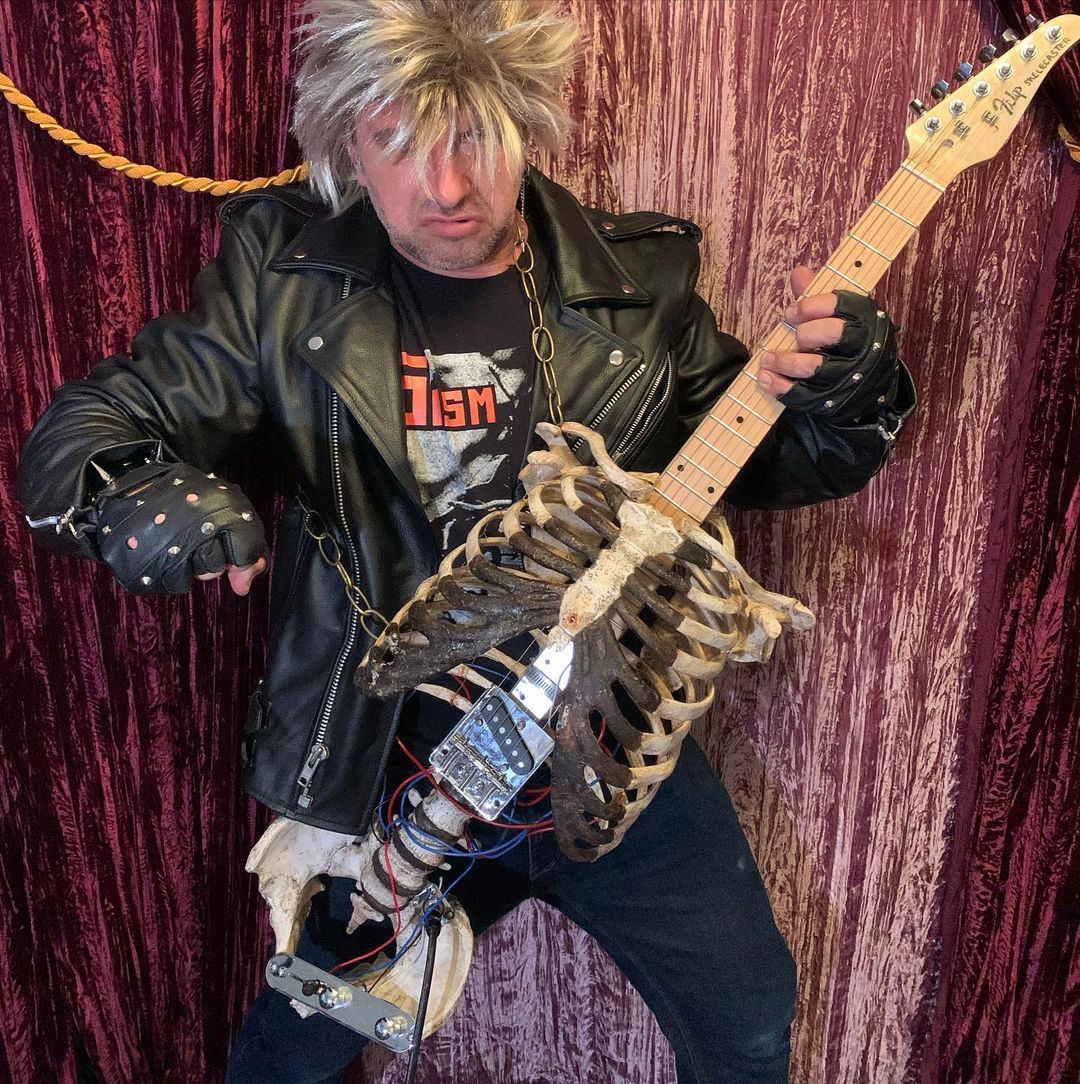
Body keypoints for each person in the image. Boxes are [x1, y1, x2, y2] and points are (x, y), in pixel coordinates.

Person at [17, 2, 916, 1081]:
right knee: (292, 1055)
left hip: (602, 747)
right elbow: (89, 430)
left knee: (752, 1019)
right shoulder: (284, 275)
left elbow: (768, 460)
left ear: (527, 122)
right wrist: (149, 498)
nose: (444, 187)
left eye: (475, 138)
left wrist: (847, 391)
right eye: (397, 143)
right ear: (348, 143)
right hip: (390, 762)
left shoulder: (633, 286)